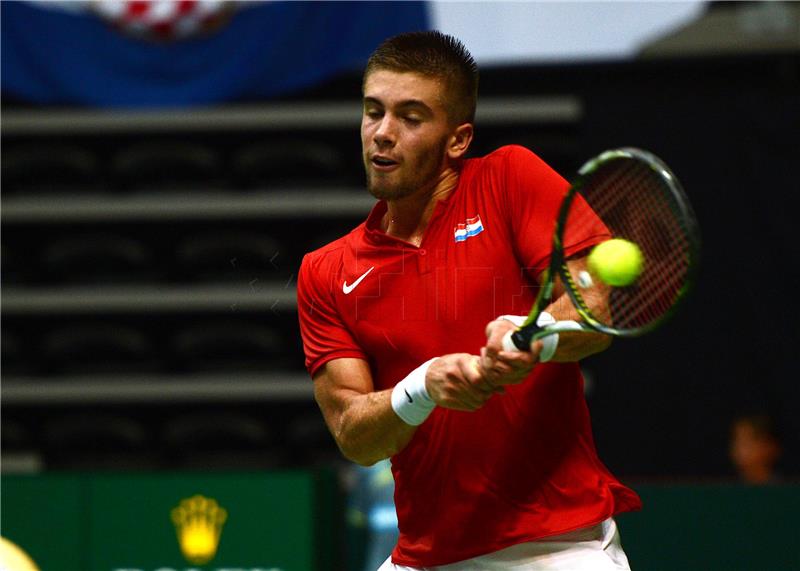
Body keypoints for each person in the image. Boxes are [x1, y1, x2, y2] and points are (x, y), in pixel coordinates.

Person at [297, 31, 641, 570]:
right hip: (428, 556)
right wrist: (422, 386)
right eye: (373, 112)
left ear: (457, 140)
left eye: (410, 117)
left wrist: (537, 336)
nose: (382, 134)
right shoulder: (326, 272)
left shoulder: (509, 179)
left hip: (559, 548)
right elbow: (354, 435)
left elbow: (594, 309)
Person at [729, 414, 782, 484]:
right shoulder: (727, 490)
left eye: (746, 443)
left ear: (769, 446)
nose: (738, 448)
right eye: (736, 441)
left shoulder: (785, 489)